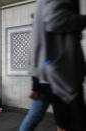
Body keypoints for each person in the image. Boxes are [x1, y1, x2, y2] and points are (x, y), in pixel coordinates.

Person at [27, 0, 86, 130]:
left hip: (54, 72)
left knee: (62, 122)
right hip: (61, 74)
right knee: (75, 123)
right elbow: (55, 20)